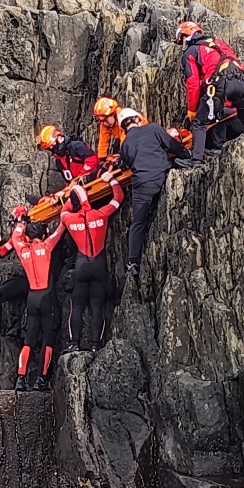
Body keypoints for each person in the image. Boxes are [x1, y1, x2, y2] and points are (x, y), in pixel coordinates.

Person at [116, 108, 193, 278]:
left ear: (123, 127)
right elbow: (172, 145)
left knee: (138, 223)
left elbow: (126, 164)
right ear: (137, 118)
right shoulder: (152, 129)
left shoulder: (125, 145)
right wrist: (188, 154)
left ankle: (133, 262)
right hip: (162, 175)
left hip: (143, 184)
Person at [59, 174, 123, 352]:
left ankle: (75, 343)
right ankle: (96, 345)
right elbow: (118, 198)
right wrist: (111, 180)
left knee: (77, 306)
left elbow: (64, 210)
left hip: (81, 266)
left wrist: (72, 196)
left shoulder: (69, 219)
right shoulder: (101, 213)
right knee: (97, 305)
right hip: (99, 265)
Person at [176, 21, 244, 161]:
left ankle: (196, 159)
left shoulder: (191, 52)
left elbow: (192, 83)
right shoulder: (218, 43)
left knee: (199, 122)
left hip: (219, 85)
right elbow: (236, 62)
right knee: (242, 118)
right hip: (241, 80)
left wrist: (192, 110)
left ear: (184, 37)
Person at [11, 218, 65, 391]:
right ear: (42, 235)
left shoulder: (22, 249)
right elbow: (61, 228)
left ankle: (20, 378)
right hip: (47, 297)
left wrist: (20, 223)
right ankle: (40, 380)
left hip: (32, 298)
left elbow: (15, 237)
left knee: (29, 340)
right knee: (47, 340)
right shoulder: (46, 246)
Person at [0, 203, 33, 338]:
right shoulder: (17, 238)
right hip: (30, 279)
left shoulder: (29, 236)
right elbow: (0, 253)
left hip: (31, 280)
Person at [91, 96, 125, 163]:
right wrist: (101, 160)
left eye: (104, 120)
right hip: (122, 140)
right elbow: (103, 141)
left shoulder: (124, 120)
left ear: (112, 114)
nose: (104, 123)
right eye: (100, 120)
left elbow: (126, 139)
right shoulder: (104, 124)